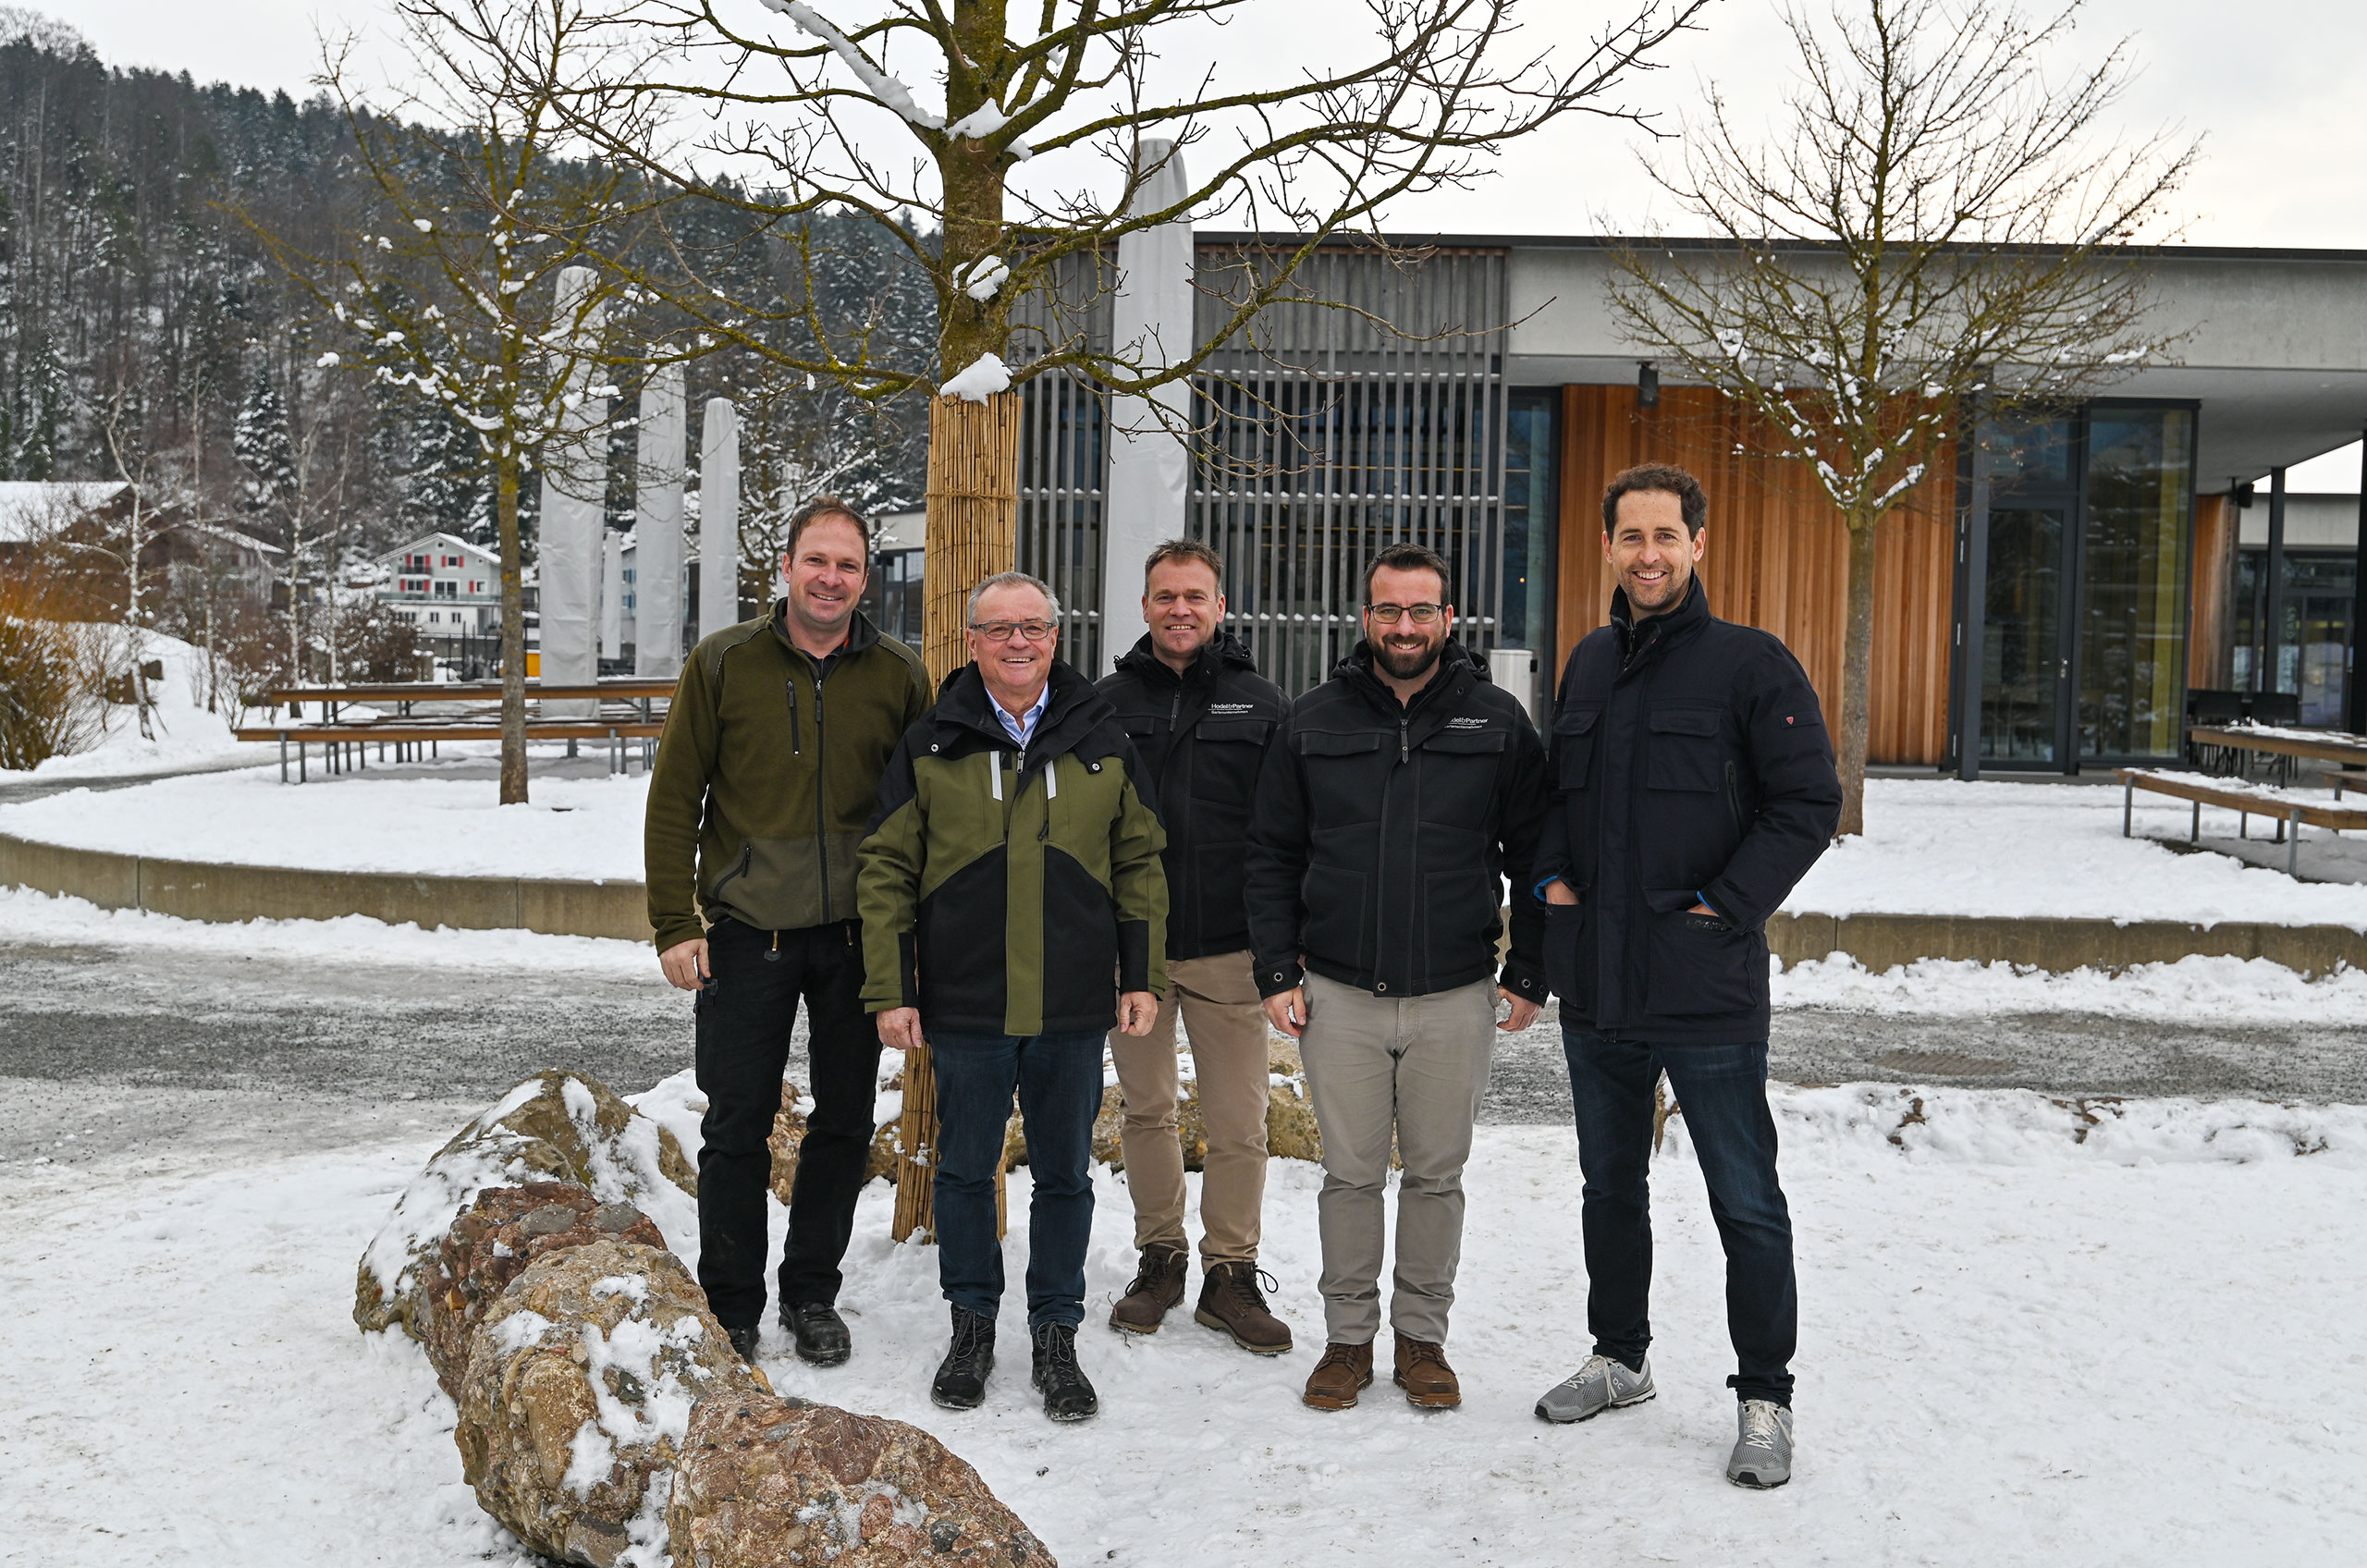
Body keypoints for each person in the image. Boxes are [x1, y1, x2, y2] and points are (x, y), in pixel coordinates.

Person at [1529, 462, 1841, 1489]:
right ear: (1607, 546)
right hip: (1601, 991)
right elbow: (1553, 803)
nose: (1648, 554)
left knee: (1744, 1200)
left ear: (1698, 544)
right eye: (1630, 536)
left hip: (1703, 986)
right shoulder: (1584, 662)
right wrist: (1551, 877)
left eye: (1667, 535)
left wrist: (1724, 907)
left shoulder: (1750, 665)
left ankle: (1765, 1397)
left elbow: (1807, 801)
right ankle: (1620, 1357)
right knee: (1607, 1187)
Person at [1245, 542, 1550, 1412]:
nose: (1405, 626)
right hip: (1338, 992)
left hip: (1457, 992)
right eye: (1389, 610)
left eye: (1422, 611)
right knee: (1348, 1175)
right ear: (1365, 616)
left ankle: (1422, 1339)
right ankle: (1347, 1342)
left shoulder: (1495, 722)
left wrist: (1529, 967)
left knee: (1436, 1175)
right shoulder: (1312, 718)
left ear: (1449, 619)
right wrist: (1276, 968)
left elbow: (1535, 854)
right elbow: (1270, 852)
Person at [858, 570, 1169, 1422]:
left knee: (1066, 1175)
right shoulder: (933, 743)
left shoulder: (1101, 738)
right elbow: (885, 869)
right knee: (963, 1172)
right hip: (966, 1005)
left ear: (1056, 637)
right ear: (972, 642)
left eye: (1033, 626)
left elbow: (1140, 861)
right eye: (1000, 629)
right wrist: (892, 986)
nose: (1018, 642)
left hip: (1072, 1006)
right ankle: (971, 1324)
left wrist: (1139, 975)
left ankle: (1056, 1332)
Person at [644, 496, 932, 1367]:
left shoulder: (898, 675)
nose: (831, 579)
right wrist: (672, 922)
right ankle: (732, 1300)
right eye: (817, 561)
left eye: (848, 565)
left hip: (855, 938)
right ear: (787, 567)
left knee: (843, 1122)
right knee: (737, 1125)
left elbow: (922, 811)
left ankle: (812, 1293)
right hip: (745, 935)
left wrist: (914, 936)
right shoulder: (723, 663)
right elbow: (674, 796)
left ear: (865, 578)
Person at [1096, 540, 1293, 1354]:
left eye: (1195, 596)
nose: (1180, 609)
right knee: (1147, 1110)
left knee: (1240, 1119)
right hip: (1134, 950)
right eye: (1165, 595)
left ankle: (1231, 1273)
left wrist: (1283, 941)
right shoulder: (1103, 703)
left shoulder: (1262, 703)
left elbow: (1286, 832)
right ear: (1144, 607)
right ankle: (1161, 1256)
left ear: (1219, 607)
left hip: (1228, 949)